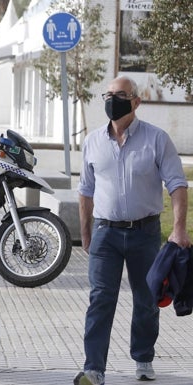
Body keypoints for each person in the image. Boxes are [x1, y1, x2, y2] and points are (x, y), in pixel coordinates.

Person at [74, 75, 191, 385]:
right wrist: (86, 234)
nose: (113, 99)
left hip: (145, 233)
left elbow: (178, 185)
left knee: (147, 299)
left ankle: (142, 357)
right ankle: (94, 368)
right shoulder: (93, 141)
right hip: (105, 233)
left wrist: (179, 229)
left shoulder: (157, 139)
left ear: (136, 101)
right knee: (101, 298)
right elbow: (85, 191)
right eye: (108, 94)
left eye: (121, 94)